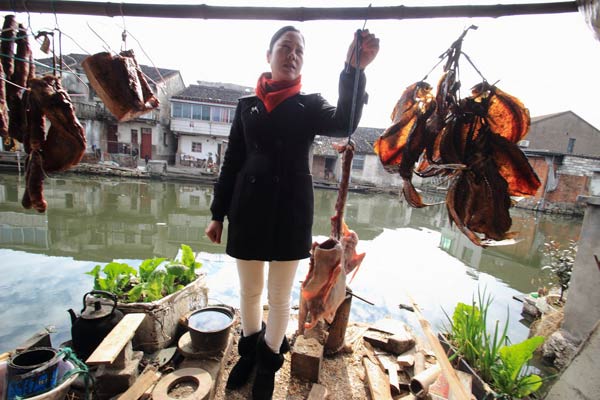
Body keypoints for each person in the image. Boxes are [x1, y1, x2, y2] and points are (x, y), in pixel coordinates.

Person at [205, 26, 379, 400]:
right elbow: (232, 161)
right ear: (268, 54)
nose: (292, 54)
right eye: (285, 47)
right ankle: (249, 354)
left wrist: (353, 70)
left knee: (280, 296)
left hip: (290, 212)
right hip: (247, 209)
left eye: (299, 49)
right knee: (250, 292)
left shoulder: (310, 105)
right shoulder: (245, 106)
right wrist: (218, 213)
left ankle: (268, 365)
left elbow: (345, 120)